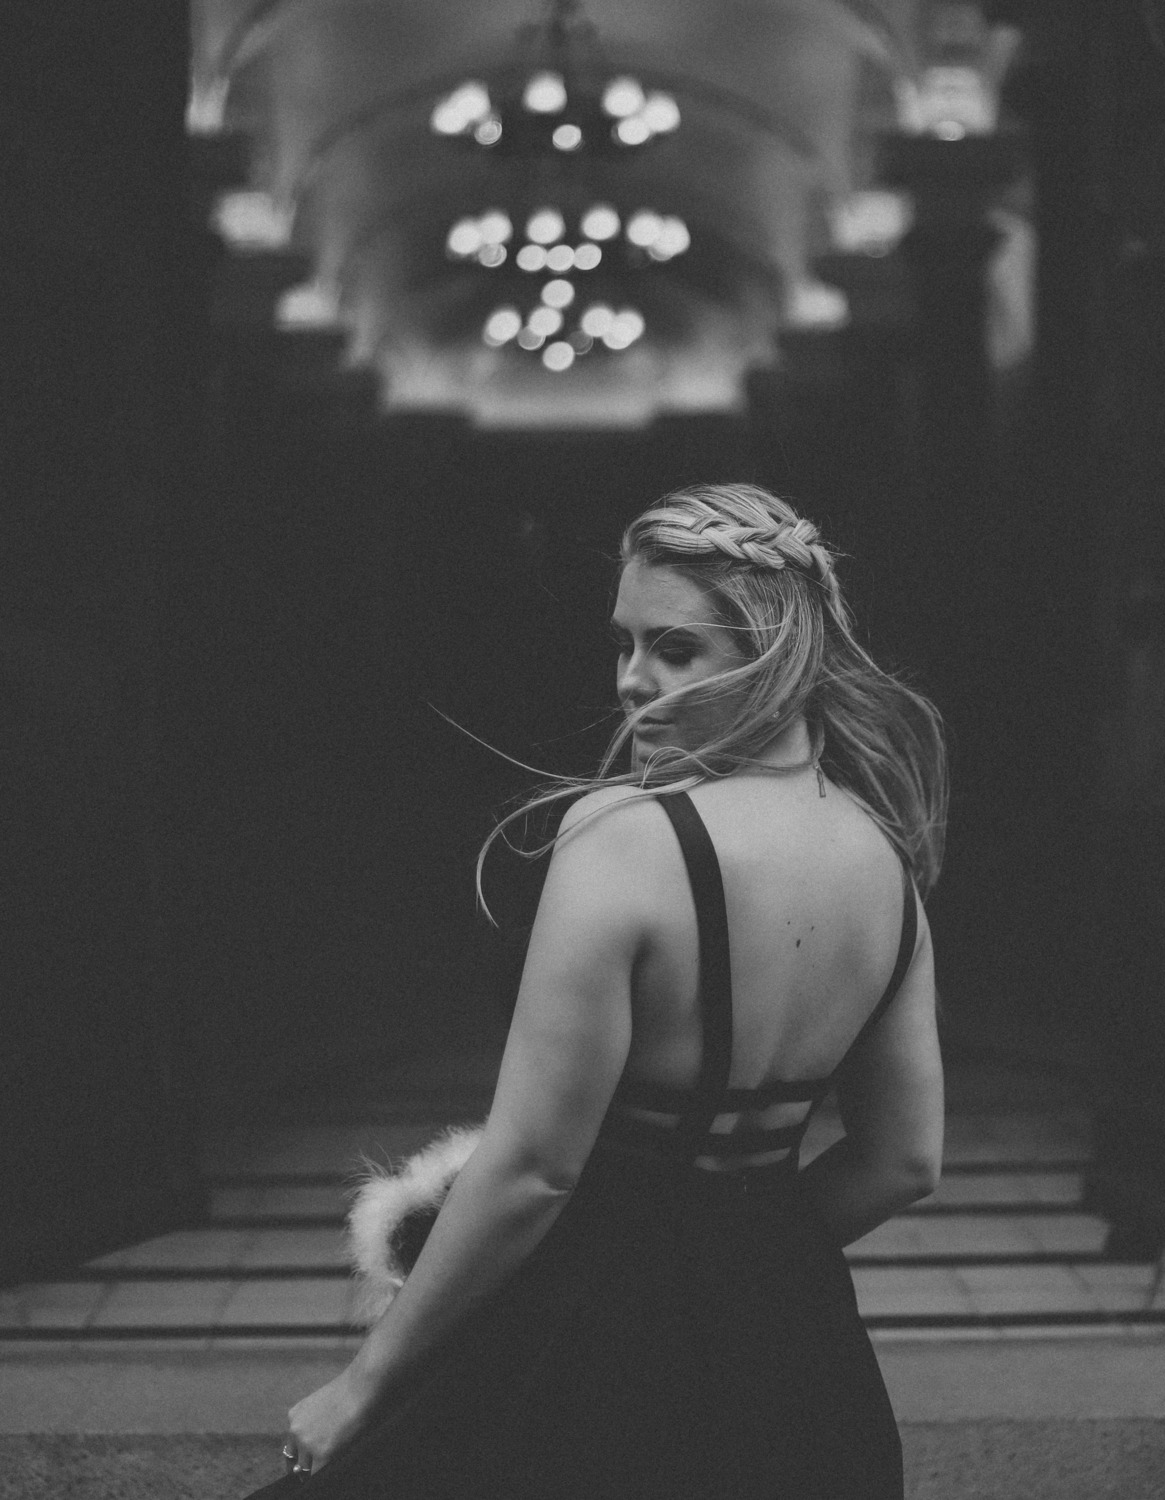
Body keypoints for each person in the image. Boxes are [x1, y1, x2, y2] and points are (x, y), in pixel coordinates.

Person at [250, 482, 947, 1500]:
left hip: (589, 1360)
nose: (630, 681)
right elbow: (903, 1162)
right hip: (803, 1367)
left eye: (675, 649)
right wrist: (737, 1265)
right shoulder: (885, 861)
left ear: (781, 654)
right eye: (624, 644)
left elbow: (535, 1166)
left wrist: (363, 1383)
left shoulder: (624, 840)